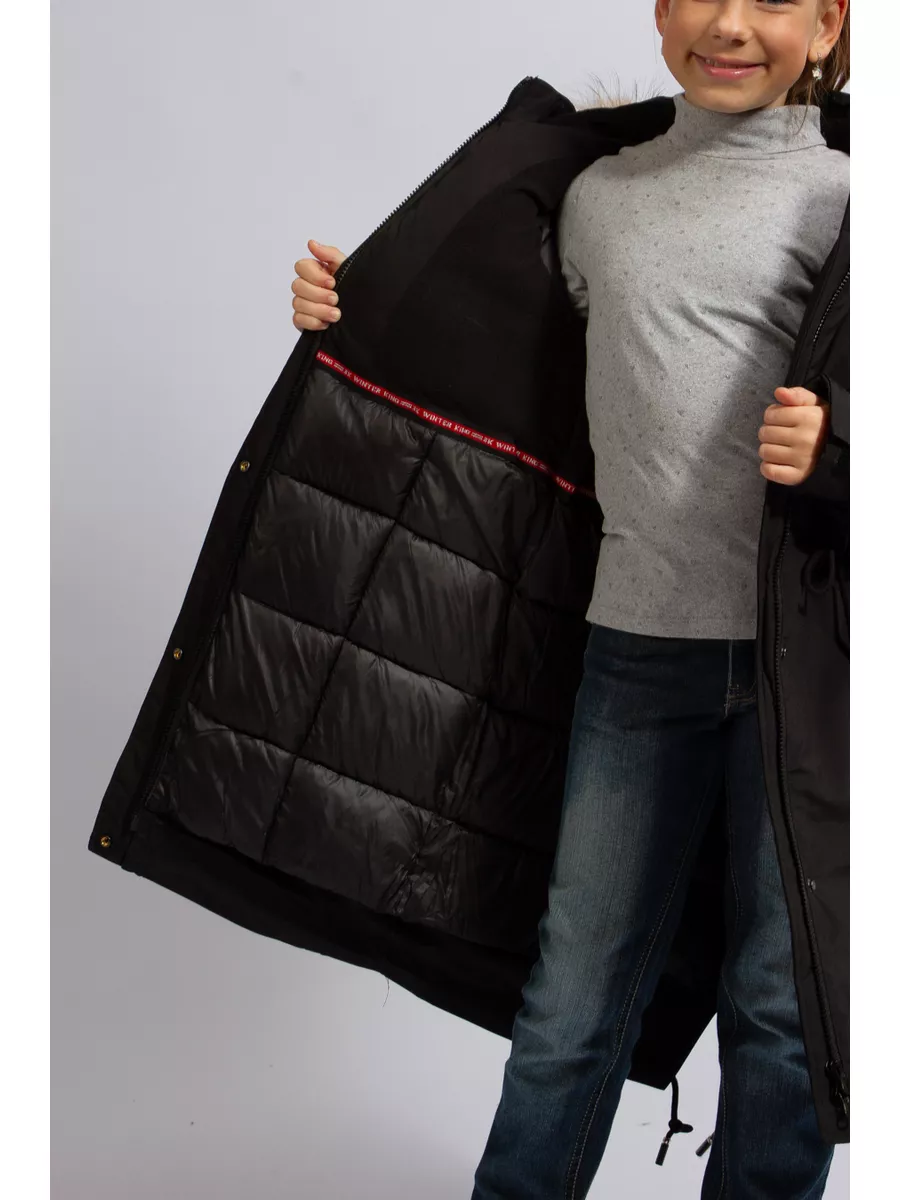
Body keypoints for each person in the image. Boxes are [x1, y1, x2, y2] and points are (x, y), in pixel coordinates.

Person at [288, 1, 849, 1196]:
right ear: (660, 13)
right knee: (574, 992)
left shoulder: (854, 200)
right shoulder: (598, 195)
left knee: (782, 1007)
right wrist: (356, 307)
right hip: (635, 656)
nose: (730, 23)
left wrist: (840, 449)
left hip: (814, 681)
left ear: (827, 23)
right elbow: (495, 359)